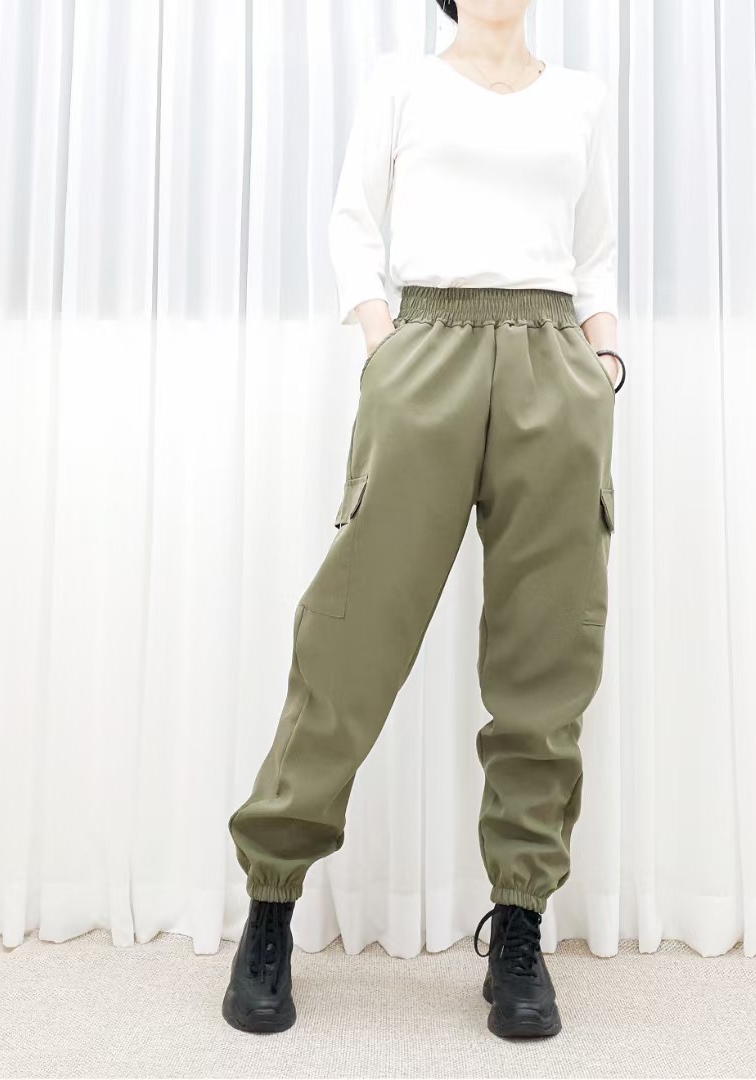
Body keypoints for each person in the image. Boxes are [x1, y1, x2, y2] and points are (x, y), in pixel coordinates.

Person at [222, 0, 622, 1041]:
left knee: (547, 654)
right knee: (350, 637)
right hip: (427, 343)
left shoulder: (581, 99)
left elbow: (595, 251)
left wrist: (604, 361)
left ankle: (520, 926)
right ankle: (271, 905)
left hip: (553, 361)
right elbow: (353, 222)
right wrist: (381, 344)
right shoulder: (402, 81)